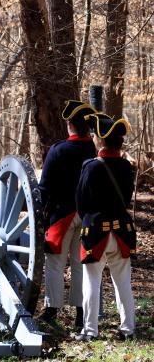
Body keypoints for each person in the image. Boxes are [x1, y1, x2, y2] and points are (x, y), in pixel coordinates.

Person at [74, 113, 136, 342]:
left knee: (91, 282)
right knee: (123, 283)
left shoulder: (90, 167)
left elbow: (81, 203)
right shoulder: (126, 168)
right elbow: (127, 199)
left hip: (96, 233)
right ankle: (128, 329)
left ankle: (90, 331)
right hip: (122, 232)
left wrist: (90, 218)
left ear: (100, 140)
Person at [38, 100, 97, 327]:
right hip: (86, 214)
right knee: (80, 263)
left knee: (54, 263)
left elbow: (44, 188)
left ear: (70, 125)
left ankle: (52, 308)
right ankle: (81, 313)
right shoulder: (94, 149)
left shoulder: (58, 150)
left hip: (61, 214)